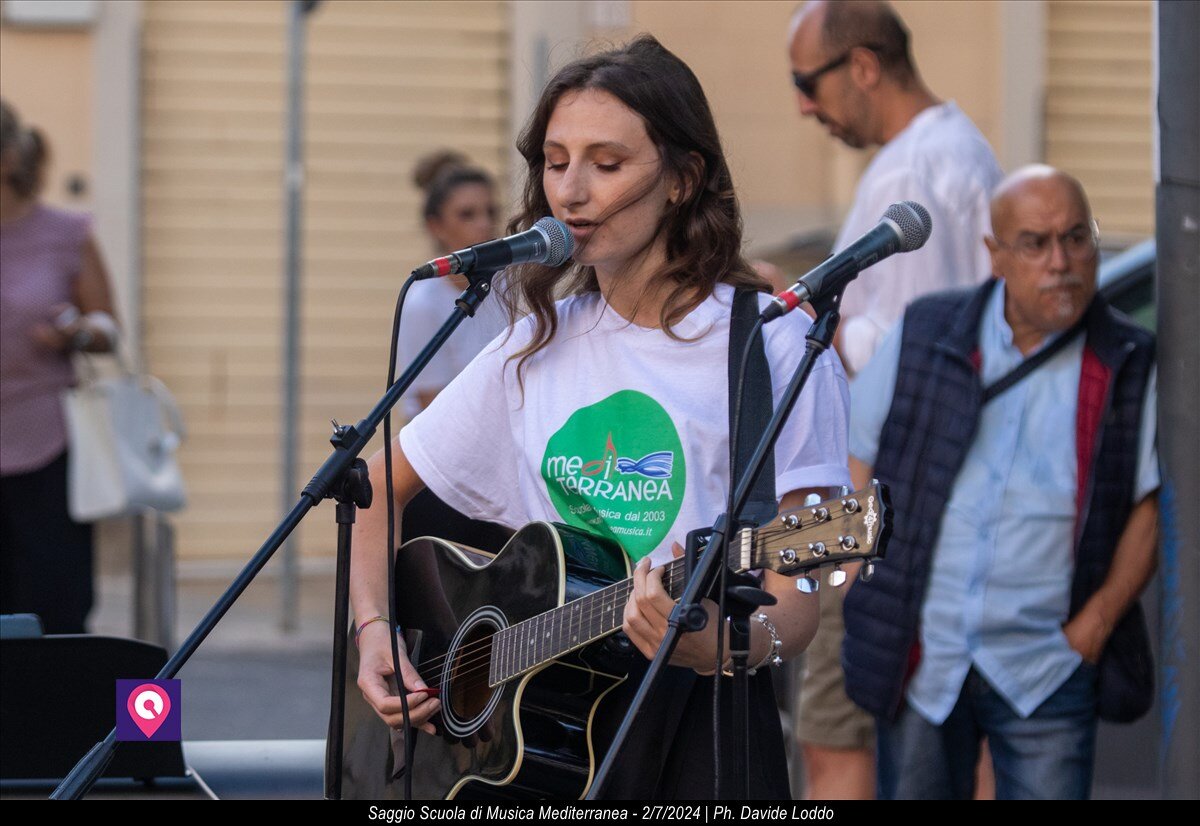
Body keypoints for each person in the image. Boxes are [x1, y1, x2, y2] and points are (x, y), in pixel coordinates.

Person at [350, 35, 851, 798]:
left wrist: (716, 644)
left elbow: (799, 603)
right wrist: (373, 628)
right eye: (556, 162)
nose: (571, 192)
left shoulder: (771, 345)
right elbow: (370, 491)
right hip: (530, 740)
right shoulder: (532, 344)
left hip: (698, 729)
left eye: (606, 164)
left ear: (683, 178)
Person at [842, 165, 1158, 799]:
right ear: (995, 255)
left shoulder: (1127, 359)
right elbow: (860, 454)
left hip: (1046, 665)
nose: (1061, 261)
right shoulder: (928, 330)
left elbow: (1150, 507)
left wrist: (1093, 628)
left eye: (1077, 238)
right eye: (1036, 243)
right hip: (923, 654)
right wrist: (862, 577)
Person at [787, 0, 1002, 798]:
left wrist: (814, 329)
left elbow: (903, 354)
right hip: (925, 496)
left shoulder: (915, 170)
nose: (804, 105)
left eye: (808, 83)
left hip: (880, 498)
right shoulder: (955, 151)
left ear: (864, 67)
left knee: (834, 735)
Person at [0, 99, 120, 634]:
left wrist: (76, 333)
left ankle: (73, 719)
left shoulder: (65, 233)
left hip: (46, 448)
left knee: (57, 610)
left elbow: (108, 327)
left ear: (8, 157)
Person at [397, 151, 511, 554]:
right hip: (442, 480)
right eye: (467, 214)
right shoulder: (423, 302)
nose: (483, 224)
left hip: (504, 472)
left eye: (489, 212)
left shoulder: (512, 291)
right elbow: (432, 406)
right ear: (437, 227)